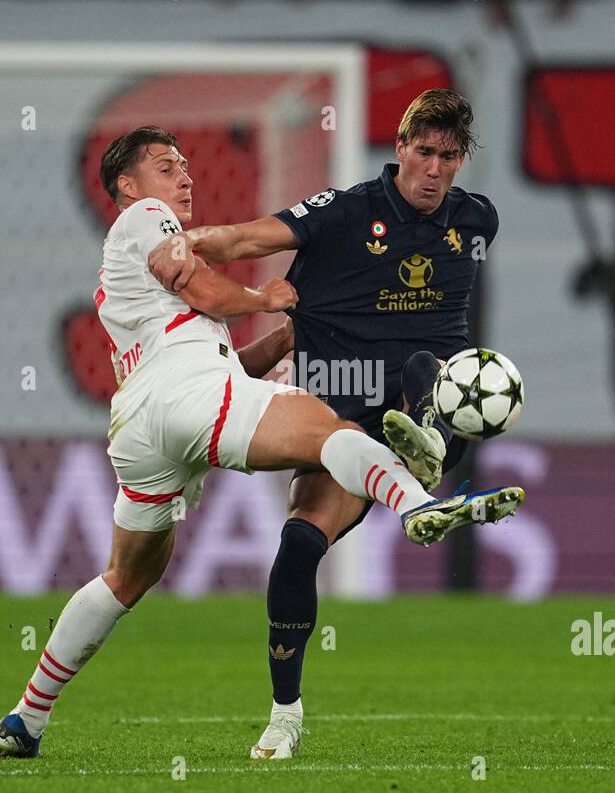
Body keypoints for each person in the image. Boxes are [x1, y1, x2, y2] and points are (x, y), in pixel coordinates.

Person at [0, 126, 524, 759]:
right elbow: (205, 289)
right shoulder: (146, 219)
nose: (183, 178)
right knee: (335, 433)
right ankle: (416, 501)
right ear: (127, 188)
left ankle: (26, 718)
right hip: (186, 397)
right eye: (166, 168)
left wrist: (280, 341)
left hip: (145, 421)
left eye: (185, 166)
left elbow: (215, 359)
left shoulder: (132, 274)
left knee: (127, 577)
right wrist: (262, 296)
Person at [146, 89, 505, 759]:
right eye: (423, 152)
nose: (433, 168)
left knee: (439, 368)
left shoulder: (477, 220)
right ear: (400, 149)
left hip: (417, 405)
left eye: (448, 157)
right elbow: (247, 237)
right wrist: (188, 242)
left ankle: (424, 452)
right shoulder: (346, 212)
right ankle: (285, 714)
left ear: (461, 161)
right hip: (332, 420)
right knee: (297, 548)